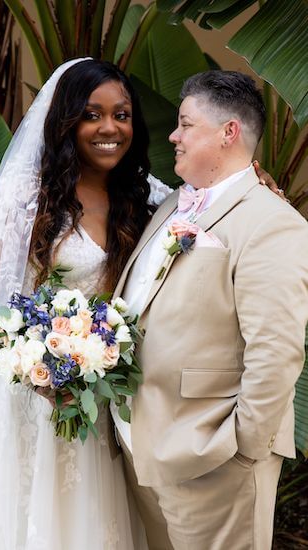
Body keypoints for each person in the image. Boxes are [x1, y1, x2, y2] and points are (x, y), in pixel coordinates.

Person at [0, 57, 279, 550]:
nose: (109, 128)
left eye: (121, 115)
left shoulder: (149, 200)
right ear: (66, 121)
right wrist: (36, 365)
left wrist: (257, 186)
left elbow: (215, 209)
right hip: (33, 407)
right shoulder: (24, 204)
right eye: (92, 114)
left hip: (107, 410)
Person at [113, 70, 308, 550]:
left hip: (213, 457)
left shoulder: (273, 223)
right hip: (147, 448)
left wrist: (242, 449)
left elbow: (277, 349)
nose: (172, 136)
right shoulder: (172, 206)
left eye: (185, 124)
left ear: (229, 132)